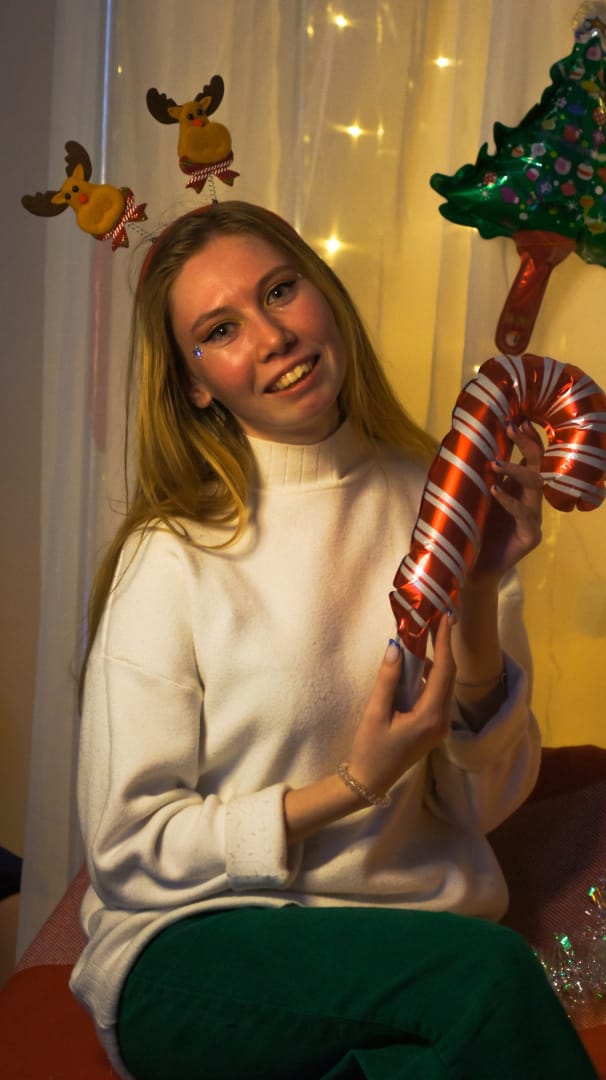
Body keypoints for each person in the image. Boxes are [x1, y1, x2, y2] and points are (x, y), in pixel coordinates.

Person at [70, 200, 598, 1079]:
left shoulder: (441, 501)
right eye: (221, 329)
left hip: (404, 945)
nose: (273, 335)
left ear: (325, 296)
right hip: (202, 950)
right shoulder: (172, 555)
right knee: (491, 978)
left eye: (282, 290)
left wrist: (476, 589)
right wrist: (353, 785)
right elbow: (130, 848)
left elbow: (478, 807)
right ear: (196, 383)